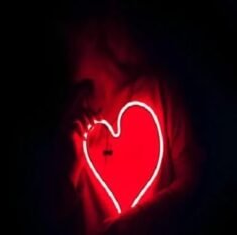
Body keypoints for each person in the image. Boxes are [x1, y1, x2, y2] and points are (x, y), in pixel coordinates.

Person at [52, 9, 204, 235]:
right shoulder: (74, 117)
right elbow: (55, 214)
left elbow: (194, 179)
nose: (59, 45)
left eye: (67, 32)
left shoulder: (158, 90)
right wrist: (70, 168)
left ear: (92, 33)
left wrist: (134, 221)